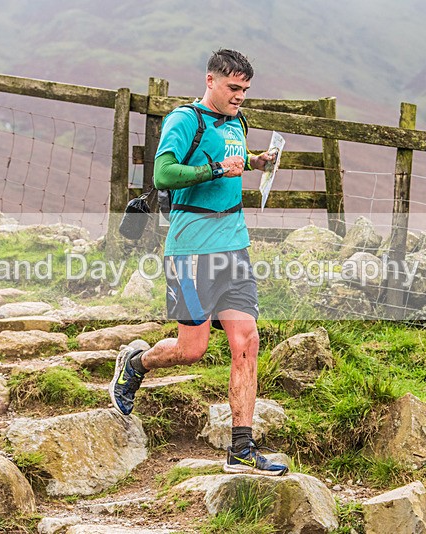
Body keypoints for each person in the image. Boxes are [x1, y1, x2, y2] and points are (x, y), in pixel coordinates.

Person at [109, 49, 287, 476]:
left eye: (245, 90)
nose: (239, 97)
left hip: (235, 245)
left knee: (246, 340)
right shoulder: (184, 120)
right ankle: (136, 363)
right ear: (211, 81)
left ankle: (242, 449)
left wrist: (255, 162)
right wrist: (212, 170)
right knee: (193, 350)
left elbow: (233, 161)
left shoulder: (237, 122)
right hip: (190, 249)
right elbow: (163, 176)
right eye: (233, 88)